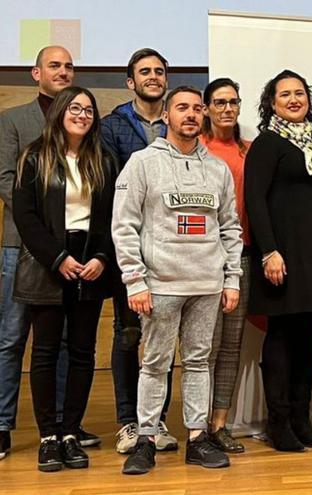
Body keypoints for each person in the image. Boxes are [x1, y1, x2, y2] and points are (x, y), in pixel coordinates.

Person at [114, 86, 242, 475]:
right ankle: (147, 439)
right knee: (154, 363)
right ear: (165, 115)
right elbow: (124, 226)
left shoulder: (217, 169)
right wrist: (135, 280)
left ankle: (197, 438)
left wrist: (231, 278)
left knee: (199, 362)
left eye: (196, 109)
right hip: (160, 285)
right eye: (181, 108)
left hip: (206, 284)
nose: (190, 114)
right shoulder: (141, 163)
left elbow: (230, 229)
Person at [0, 45, 100, 460]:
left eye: (69, 65)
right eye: (54, 65)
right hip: (23, 248)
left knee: (73, 345)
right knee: (13, 339)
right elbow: (8, 181)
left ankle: (64, 426)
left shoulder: (97, 155)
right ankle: (5, 424)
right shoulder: (14, 123)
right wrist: (47, 232)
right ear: (35, 72)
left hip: (82, 257)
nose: (63, 70)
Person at [12, 87, 117, 471]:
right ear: (59, 111)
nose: (82, 115)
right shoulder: (35, 157)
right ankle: (48, 437)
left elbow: (111, 217)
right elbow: (26, 218)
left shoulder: (103, 160)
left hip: (91, 264)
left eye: (89, 110)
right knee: (44, 353)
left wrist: (103, 257)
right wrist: (57, 258)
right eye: (75, 108)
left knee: (82, 353)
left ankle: (71, 433)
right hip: (48, 264)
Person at [245, 70, 312, 453]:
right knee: (283, 337)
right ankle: (278, 422)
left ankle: (302, 419)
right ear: (272, 102)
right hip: (282, 258)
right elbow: (255, 200)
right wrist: (269, 251)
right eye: (284, 94)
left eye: (299, 93)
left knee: (306, 338)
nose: (293, 99)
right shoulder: (267, 144)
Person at [100, 48, 178, 453]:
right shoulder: (112, 127)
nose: (153, 77)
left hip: (173, 250)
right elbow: (112, 187)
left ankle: (157, 420)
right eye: (144, 72)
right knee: (128, 334)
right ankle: (129, 422)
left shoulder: (180, 124)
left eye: (159, 71)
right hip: (129, 247)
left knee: (163, 338)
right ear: (131, 82)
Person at [200, 78, 251, 453]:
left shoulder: (249, 150)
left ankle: (219, 423)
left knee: (231, 345)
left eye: (233, 101)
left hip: (243, 257)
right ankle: (197, 426)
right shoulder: (196, 149)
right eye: (219, 102)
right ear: (207, 108)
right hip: (201, 259)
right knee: (205, 347)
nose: (227, 108)